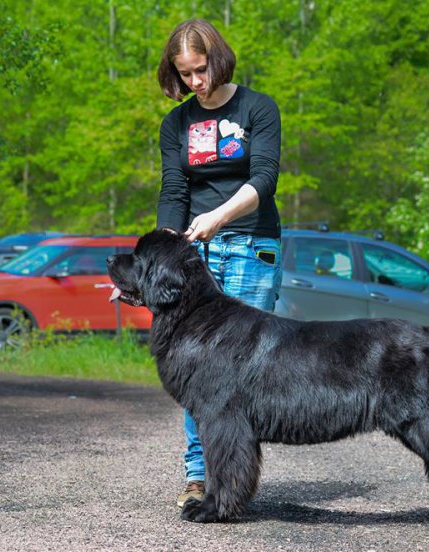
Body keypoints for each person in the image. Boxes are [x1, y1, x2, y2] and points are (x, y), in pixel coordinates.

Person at [156, 18, 283, 508]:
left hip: (252, 243)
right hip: (197, 254)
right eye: (185, 74)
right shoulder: (177, 123)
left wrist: (219, 216)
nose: (195, 82)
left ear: (218, 58)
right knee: (196, 370)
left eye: (201, 70)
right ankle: (201, 476)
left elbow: (265, 177)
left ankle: (234, 480)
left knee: (248, 369)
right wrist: (162, 257)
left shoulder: (257, 108)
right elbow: (174, 192)